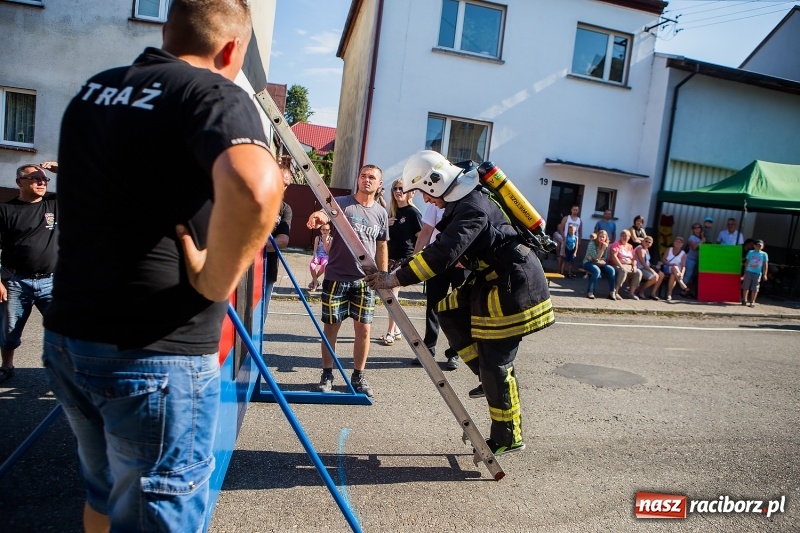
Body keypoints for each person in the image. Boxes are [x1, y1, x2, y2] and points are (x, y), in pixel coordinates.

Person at [41, 2, 285, 531]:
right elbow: (257, 187)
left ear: (166, 30)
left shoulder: (96, 89)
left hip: (70, 337)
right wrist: (215, 281)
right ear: (231, 48)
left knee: (104, 495)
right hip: (156, 352)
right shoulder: (213, 93)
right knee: (155, 514)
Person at [365, 150, 554, 456]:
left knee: (497, 363)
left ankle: (508, 436)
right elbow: (442, 247)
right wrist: (402, 268)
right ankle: (487, 378)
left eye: (424, 192)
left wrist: (395, 279)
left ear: (436, 183)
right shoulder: (464, 203)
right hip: (493, 280)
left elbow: (443, 254)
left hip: (514, 286)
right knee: (449, 311)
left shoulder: (471, 207)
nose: (425, 200)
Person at [306, 164, 389, 398]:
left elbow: (382, 245)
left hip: (365, 280)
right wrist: (317, 216)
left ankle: (358, 376)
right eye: (363, 176)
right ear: (358, 179)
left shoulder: (381, 213)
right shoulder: (342, 203)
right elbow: (325, 213)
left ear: (379, 184)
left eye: (372, 177)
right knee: (331, 327)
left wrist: (383, 275)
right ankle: (327, 375)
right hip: (336, 276)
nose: (366, 180)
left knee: (364, 330)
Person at [0, 162, 59, 383]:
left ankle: (66, 369)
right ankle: (7, 366)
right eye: (35, 178)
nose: (42, 182)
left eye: (44, 179)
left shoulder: (54, 203)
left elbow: (85, 183)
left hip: (51, 281)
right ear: (19, 182)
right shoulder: (6, 210)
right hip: (15, 281)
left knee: (64, 328)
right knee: (9, 331)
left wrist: (61, 169)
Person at [412, 202, 466, 370]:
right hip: (437, 260)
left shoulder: (467, 203)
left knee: (459, 308)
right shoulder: (436, 203)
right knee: (433, 307)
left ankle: (455, 352)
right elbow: (426, 231)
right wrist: (414, 258)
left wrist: (469, 258)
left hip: (461, 264)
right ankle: (428, 349)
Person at [382, 179, 422, 346]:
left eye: (401, 189)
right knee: (388, 294)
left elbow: (421, 237)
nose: (398, 191)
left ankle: (390, 331)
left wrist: (415, 258)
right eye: (395, 189)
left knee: (392, 294)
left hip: (404, 258)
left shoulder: (413, 213)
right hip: (389, 257)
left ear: (409, 192)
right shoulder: (391, 212)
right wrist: (386, 225)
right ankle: (397, 329)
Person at [264, 164, 293, 317]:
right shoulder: (252, 198)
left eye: (286, 184)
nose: (282, 187)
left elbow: (282, 241)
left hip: (267, 271)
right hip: (243, 271)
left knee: (259, 319)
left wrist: (257, 246)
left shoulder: (285, 209)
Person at [582, 230, 616, 300]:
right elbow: (596, 258)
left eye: (603, 237)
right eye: (600, 236)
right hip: (588, 262)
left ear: (606, 238)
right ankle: (590, 291)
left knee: (611, 270)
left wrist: (599, 260)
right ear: (597, 237)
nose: (601, 238)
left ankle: (612, 292)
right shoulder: (592, 244)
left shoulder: (606, 245)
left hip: (599, 263)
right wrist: (602, 249)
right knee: (596, 271)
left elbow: (604, 259)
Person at [608, 229, 642, 300]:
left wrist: (634, 266)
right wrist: (621, 266)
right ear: (620, 236)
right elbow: (613, 256)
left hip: (628, 265)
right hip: (616, 264)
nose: (624, 237)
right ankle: (615, 292)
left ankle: (631, 293)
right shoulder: (616, 244)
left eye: (626, 236)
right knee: (623, 271)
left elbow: (633, 258)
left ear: (629, 237)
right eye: (623, 236)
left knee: (638, 272)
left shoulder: (630, 246)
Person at [741, 239, 768, 307]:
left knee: (755, 288)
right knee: (746, 286)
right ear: (754, 246)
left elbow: (765, 265)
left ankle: (752, 301)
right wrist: (745, 273)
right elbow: (747, 262)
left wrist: (765, 274)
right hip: (749, 271)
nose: (759, 247)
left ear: (762, 246)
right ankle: (744, 299)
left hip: (757, 273)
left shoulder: (764, 254)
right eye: (757, 245)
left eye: (760, 246)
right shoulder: (750, 252)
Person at [662, 237, 689, 301]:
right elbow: (664, 259)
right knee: (674, 267)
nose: (678, 243)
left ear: (682, 245)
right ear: (674, 243)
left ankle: (669, 294)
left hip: (676, 272)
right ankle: (682, 284)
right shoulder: (669, 249)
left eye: (680, 242)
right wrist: (670, 264)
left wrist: (682, 274)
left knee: (673, 275)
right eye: (677, 241)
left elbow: (683, 266)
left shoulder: (683, 253)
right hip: (667, 267)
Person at [684, 222, 706, 297]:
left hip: (698, 259)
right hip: (691, 259)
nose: (697, 229)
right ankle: (683, 291)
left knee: (692, 276)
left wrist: (702, 237)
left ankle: (688, 291)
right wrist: (702, 241)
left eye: (698, 228)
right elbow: (694, 247)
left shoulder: (702, 237)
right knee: (688, 275)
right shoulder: (692, 237)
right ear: (693, 230)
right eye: (695, 228)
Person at [308, 223, 332, 291]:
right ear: (320, 230)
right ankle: (316, 282)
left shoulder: (331, 239)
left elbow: (327, 252)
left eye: (327, 230)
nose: (325, 231)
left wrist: (324, 241)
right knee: (312, 266)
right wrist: (315, 257)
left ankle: (313, 281)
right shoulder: (317, 238)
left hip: (326, 256)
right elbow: (315, 250)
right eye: (323, 229)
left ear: (329, 231)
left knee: (324, 266)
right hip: (318, 255)